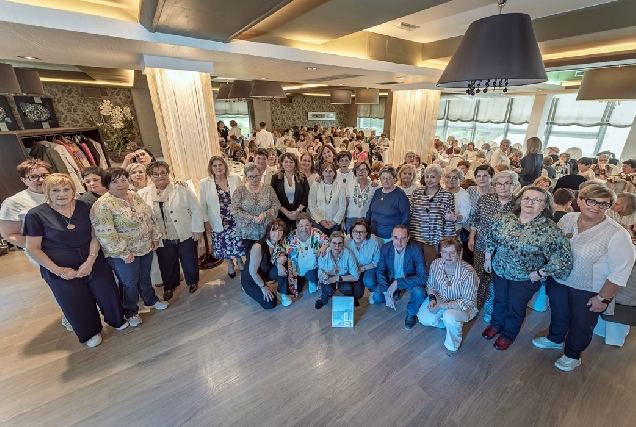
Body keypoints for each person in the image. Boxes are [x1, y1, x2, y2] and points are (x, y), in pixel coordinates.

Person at [533, 185, 636, 371]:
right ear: (579, 201)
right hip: (559, 281)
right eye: (591, 201)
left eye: (603, 204)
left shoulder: (617, 234)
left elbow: (620, 271)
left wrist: (603, 298)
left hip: (589, 290)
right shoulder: (567, 219)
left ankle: (572, 355)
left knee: (582, 324)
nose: (596, 207)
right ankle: (555, 339)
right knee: (559, 314)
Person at [24, 174, 127, 347]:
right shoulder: (35, 215)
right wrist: (59, 271)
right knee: (75, 300)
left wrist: (90, 260)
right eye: (55, 190)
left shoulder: (85, 206)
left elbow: (95, 235)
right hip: (59, 266)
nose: (62, 194)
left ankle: (116, 320)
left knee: (107, 291)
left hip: (92, 258)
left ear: (73, 190)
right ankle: (90, 332)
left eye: (66, 189)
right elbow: (33, 248)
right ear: (47, 193)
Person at [482, 186, 573, 350]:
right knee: (500, 300)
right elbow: (492, 237)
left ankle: (508, 334)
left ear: (545, 205)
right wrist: (488, 258)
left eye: (536, 200)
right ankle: (496, 325)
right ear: (520, 200)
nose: (530, 202)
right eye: (526, 198)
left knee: (515, 308)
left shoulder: (549, 229)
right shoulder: (507, 218)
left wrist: (541, 273)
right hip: (500, 270)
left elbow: (564, 259)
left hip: (525, 278)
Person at [91, 168, 169, 328]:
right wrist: (123, 252)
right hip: (122, 253)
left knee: (145, 277)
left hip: (145, 246)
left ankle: (151, 299)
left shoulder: (134, 195)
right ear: (107, 184)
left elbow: (149, 216)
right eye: (115, 181)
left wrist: (154, 237)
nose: (121, 184)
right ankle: (131, 311)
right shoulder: (102, 205)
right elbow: (105, 233)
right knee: (129, 283)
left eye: (123, 180)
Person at [139, 162, 203, 300]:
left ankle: (192, 281)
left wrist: (197, 229)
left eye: (163, 173)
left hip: (185, 232)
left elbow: (196, 209)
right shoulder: (143, 193)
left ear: (168, 174)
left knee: (189, 260)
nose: (160, 176)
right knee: (166, 263)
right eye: (155, 174)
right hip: (161, 237)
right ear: (150, 177)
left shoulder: (181, 188)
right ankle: (170, 286)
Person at [418, 238, 478, 356]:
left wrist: (442, 306)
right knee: (423, 318)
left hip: (462, 306)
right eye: (444, 252)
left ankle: (452, 345)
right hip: (441, 299)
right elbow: (431, 285)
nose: (448, 256)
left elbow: (467, 301)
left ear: (459, 253)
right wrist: (432, 300)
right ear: (440, 252)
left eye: (452, 252)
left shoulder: (469, 272)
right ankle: (448, 323)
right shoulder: (436, 264)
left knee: (450, 316)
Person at [469, 171, 517, 317]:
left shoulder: (518, 204)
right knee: (478, 274)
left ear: (513, 185)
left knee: (496, 281)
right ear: (494, 185)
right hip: (482, 245)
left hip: (504, 251)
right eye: (499, 184)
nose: (502, 187)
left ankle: (490, 308)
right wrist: (471, 237)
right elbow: (476, 219)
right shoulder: (485, 199)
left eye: (507, 183)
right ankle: (475, 301)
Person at [200, 156, 245, 278]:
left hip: (235, 219)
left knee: (237, 242)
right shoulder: (205, 183)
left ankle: (240, 261)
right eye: (215, 165)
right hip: (218, 220)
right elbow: (203, 204)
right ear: (211, 168)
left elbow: (243, 196)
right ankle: (230, 264)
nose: (218, 168)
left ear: (225, 165)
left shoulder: (235, 178)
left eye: (220, 164)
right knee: (223, 245)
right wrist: (205, 222)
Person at [375, 225, 427, 329]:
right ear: (391, 236)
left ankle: (411, 312)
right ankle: (395, 293)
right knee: (377, 297)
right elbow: (380, 271)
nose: (399, 242)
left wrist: (398, 283)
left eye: (402, 238)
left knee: (419, 292)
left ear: (408, 238)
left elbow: (422, 277)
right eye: (396, 238)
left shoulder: (416, 249)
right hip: (391, 278)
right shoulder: (385, 248)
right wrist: (387, 292)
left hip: (409, 279)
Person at [410, 164, 457, 271]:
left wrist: (448, 242)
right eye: (427, 177)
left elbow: (449, 221)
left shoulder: (447, 195)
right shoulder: (417, 192)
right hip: (416, 238)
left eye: (433, 177)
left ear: (439, 178)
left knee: (431, 269)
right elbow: (410, 213)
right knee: (414, 268)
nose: (429, 180)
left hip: (435, 240)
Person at [0, 160, 50, 252]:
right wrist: (37, 247)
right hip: (43, 252)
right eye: (33, 177)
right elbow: (8, 234)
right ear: (23, 180)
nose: (41, 180)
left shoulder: (64, 193)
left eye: (45, 175)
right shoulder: (13, 202)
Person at [231, 162, 281, 252]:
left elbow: (276, 205)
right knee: (250, 256)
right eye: (250, 177)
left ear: (260, 174)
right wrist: (252, 218)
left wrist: (265, 214)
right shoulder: (239, 191)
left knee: (266, 255)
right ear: (246, 177)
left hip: (266, 230)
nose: (254, 179)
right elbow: (234, 210)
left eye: (256, 176)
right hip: (248, 232)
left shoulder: (269, 189)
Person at [241, 219, 288, 309]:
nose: (277, 233)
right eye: (274, 230)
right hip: (251, 279)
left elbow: (282, 256)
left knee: (283, 267)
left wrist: (280, 264)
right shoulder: (258, 246)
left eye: (280, 230)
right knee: (270, 304)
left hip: (265, 274)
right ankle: (250, 288)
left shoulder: (279, 243)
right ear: (268, 231)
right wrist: (263, 287)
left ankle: (283, 293)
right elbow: (253, 272)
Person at [314, 231, 361, 309]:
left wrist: (337, 278)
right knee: (327, 289)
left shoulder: (348, 254)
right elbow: (320, 276)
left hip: (343, 277)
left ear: (343, 244)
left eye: (340, 243)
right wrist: (324, 277)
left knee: (347, 288)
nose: (337, 246)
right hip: (329, 277)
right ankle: (323, 298)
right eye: (334, 243)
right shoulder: (323, 254)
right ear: (329, 243)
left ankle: (349, 297)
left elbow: (356, 277)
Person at [286, 213, 328, 295]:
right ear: (297, 225)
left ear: (311, 224)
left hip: (313, 267)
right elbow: (286, 252)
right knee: (297, 289)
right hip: (297, 269)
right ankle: (303, 278)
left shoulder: (317, 233)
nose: (304, 228)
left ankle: (312, 281)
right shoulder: (291, 237)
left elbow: (328, 241)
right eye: (301, 226)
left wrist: (325, 246)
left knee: (311, 277)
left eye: (307, 225)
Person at [365, 166, 410, 242]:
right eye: (383, 178)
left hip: (391, 238)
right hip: (374, 236)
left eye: (389, 178)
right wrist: (365, 226)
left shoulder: (400, 194)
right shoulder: (377, 192)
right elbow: (370, 211)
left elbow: (406, 217)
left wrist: (399, 235)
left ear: (394, 179)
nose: (385, 181)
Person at [271, 152, 310, 232]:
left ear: (295, 164)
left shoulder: (302, 177)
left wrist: (298, 211)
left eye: (291, 162)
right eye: (286, 161)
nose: (288, 164)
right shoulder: (275, 178)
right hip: (282, 214)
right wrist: (285, 212)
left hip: (299, 213)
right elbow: (273, 197)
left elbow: (306, 195)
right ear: (282, 163)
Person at [345, 219, 381, 302]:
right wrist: (325, 247)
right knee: (358, 294)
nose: (358, 235)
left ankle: (372, 290)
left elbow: (377, 261)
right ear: (351, 232)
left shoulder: (373, 241)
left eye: (361, 232)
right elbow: (333, 244)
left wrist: (362, 268)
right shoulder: (346, 240)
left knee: (369, 281)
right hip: (354, 268)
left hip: (369, 266)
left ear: (366, 233)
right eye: (355, 231)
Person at [308, 161, 346, 235]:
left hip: (334, 223)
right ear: (322, 173)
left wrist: (334, 222)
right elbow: (312, 204)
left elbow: (342, 206)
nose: (328, 174)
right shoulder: (316, 184)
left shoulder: (340, 186)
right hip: (318, 222)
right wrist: (321, 221)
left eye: (330, 171)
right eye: (325, 171)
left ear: (334, 173)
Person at [344, 161, 376, 232]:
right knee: (350, 238)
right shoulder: (349, 184)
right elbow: (346, 203)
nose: (361, 172)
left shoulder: (374, 186)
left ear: (368, 171)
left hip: (366, 219)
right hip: (351, 218)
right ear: (355, 171)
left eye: (364, 169)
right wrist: (343, 220)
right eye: (358, 169)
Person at [444, 167, 471, 236]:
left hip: (453, 230)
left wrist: (454, 218)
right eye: (448, 177)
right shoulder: (438, 190)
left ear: (460, 179)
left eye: (454, 178)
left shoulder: (464, 194)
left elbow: (464, 217)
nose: (451, 180)